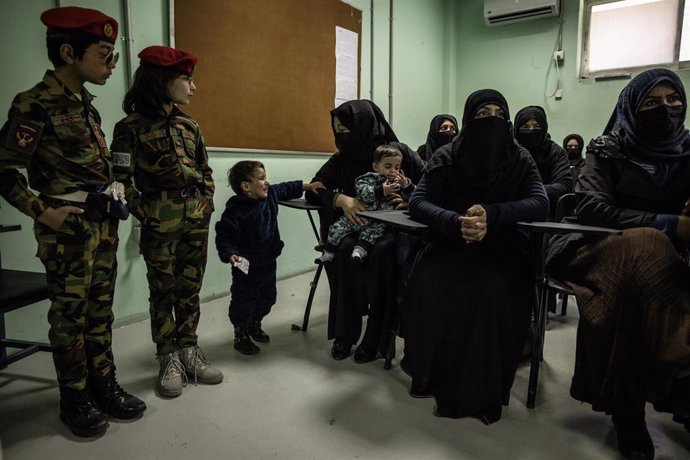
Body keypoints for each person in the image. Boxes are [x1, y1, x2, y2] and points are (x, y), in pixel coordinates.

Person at [0, 6, 146, 437]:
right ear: (68, 51)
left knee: (99, 314)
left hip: (101, 227)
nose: (111, 64)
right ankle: (74, 397)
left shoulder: (87, 106)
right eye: (104, 54)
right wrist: (42, 211)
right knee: (70, 318)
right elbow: (5, 171)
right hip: (67, 233)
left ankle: (104, 385)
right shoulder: (33, 103)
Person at [546, 68, 690, 459]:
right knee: (646, 246)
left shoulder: (688, 151)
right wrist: (669, 222)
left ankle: (646, 398)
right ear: (630, 107)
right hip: (597, 246)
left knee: (638, 288)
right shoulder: (607, 149)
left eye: (673, 100)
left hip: (668, 261)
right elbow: (591, 208)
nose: (666, 109)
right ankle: (666, 384)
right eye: (652, 102)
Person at [402, 89, 549, 424]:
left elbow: (540, 201)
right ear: (469, 119)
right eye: (483, 115)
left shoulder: (518, 156)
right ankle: (430, 374)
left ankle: (481, 391)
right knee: (431, 277)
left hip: (504, 245)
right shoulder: (448, 155)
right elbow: (419, 201)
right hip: (454, 240)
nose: (492, 121)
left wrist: (492, 215)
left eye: (500, 114)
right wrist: (455, 222)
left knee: (492, 288)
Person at [110, 45, 222, 398]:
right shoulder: (128, 128)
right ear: (162, 81)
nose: (193, 87)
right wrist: (147, 214)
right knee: (163, 292)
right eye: (186, 79)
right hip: (161, 223)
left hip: (196, 222)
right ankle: (167, 356)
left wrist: (207, 200)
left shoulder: (190, 125)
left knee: (190, 290)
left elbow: (205, 169)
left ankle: (189, 350)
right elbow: (120, 182)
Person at [306, 99, 425, 363]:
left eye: (346, 129)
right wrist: (340, 199)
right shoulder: (342, 158)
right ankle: (344, 334)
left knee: (382, 253)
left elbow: (430, 184)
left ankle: (376, 335)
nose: (341, 135)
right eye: (337, 130)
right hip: (358, 227)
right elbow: (316, 187)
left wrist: (408, 199)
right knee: (346, 249)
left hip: (395, 230)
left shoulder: (396, 152)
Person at [215, 161, 322, 355]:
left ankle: (255, 323)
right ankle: (241, 333)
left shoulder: (270, 195)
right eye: (262, 178)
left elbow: (286, 188)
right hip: (245, 265)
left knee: (268, 298)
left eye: (266, 177)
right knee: (243, 300)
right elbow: (224, 235)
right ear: (246, 186)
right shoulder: (236, 210)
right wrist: (230, 253)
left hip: (267, 261)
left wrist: (308, 186)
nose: (267, 182)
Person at [318, 144, 415, 265]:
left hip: (379, 222)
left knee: (372, 234)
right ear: (375, 166)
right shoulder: (367, 178)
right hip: (360, 214)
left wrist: (407, 185)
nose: (393, 171)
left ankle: (358, 253)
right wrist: (381, 190)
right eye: (388, 166)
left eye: (397, 167)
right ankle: (328, 252)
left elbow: (415, 197)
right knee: (338, 228)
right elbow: (363, 192)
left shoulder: (398, 182)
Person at [514, 106, 572, 216]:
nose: (531, 131)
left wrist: (528, 192)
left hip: (547, 212)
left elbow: (564, 186)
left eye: (536, 126)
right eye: (525, 127)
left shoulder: (556, 152)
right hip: (513, 211)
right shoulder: (511, 150)